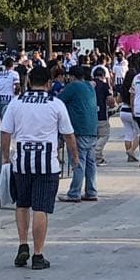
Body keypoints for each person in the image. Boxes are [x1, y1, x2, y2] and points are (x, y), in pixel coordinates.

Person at [0, 65, 78, 271]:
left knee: (22, 205)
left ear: (28, 82)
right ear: (49, 83)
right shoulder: (56, 104)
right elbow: (68, 135)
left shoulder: (16, 103)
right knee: (41, 208)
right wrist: (75, 157)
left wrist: (5, 158)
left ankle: (22, 243)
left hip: (21, 163)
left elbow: (6, 133)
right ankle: (38, 254)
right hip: (46, 164)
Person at [58, 66, 98, 203]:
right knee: (90, 162)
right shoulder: (89, 86)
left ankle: (74, 192)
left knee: (78, 162)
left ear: (72, 76)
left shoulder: (73, 86)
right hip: (92, 129)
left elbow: (58, 100)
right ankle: (91, 191)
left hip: (79, 130)